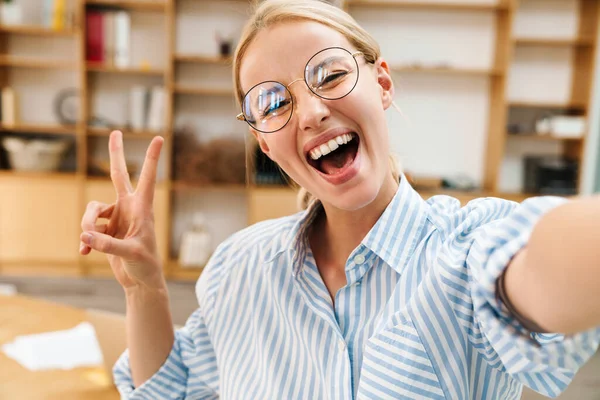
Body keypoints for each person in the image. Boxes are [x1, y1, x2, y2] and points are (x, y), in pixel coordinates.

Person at [79, 0, 600, 398]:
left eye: (329, 74)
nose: (308, 113)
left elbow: (538, 268)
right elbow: (175, 389)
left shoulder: (461, 253)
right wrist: (145, 288)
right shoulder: (237, 267)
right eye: (273, 102)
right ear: (264, 141)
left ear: (382, 83)